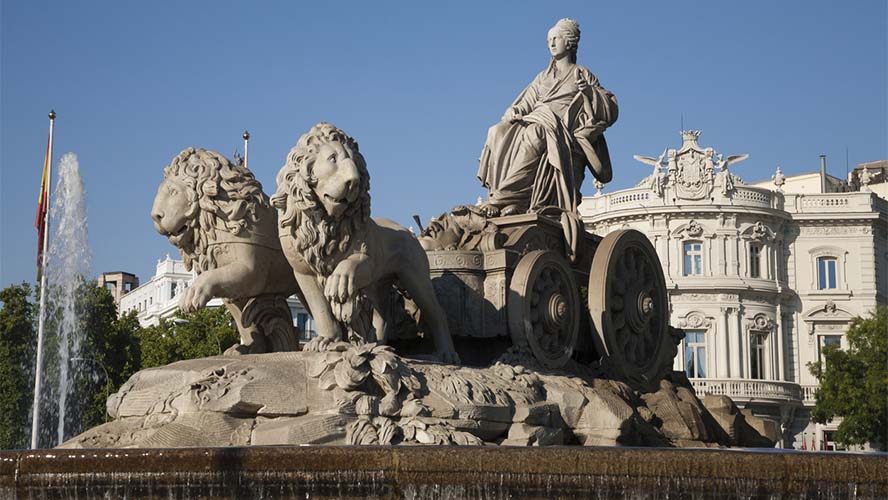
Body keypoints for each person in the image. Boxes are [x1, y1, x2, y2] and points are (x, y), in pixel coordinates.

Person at [477, 18, 618, 217]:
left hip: (561, 131)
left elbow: (609, 107)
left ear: (569, 42)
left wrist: (589, 92)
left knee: (536, 132)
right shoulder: (542, 77)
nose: (551, 44)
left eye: (556, 38)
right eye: (549, 40)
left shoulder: (582, 74)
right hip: (537, 119)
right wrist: (513, 111)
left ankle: (502, 198)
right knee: (497, 131)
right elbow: (526, 101)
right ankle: (517, 200)